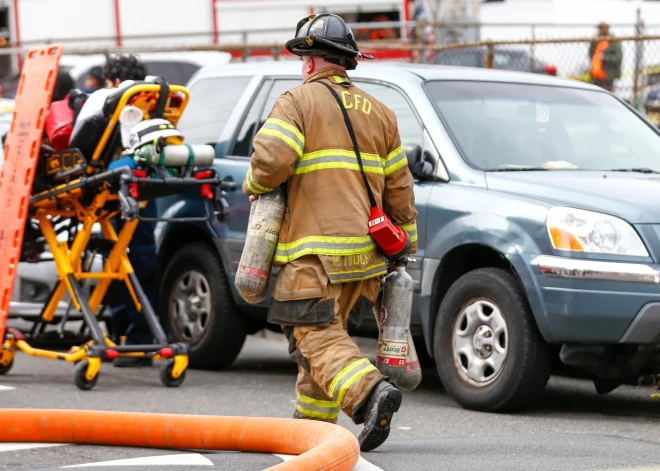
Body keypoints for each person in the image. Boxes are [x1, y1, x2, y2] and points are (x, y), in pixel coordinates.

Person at [241, 13, 418, 452]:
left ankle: (368, 393)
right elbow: (400, 189)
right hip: (365, 261)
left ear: (308, 60)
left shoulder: (296, 101)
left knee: (314, 336)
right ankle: (313, 433)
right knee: (316, 351)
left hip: (312, 255)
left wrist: (255, 185)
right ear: (345, 62)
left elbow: (271, 161)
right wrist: (404, 245)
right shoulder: (381, 112)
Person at [75, 54, 157, 368]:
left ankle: (125, 335)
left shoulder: (106, 99)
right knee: (141, 261)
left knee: (121, 262)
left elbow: (80, 141)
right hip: (146, 187)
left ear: (112, 80)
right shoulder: (158, 99)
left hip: (114, 188)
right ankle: (137, 337)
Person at [589, 22, 622, 92]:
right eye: (600, 29)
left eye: (604, 29)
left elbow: (618, 58)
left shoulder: (613, 42)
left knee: (606, 93)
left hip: (608, 75)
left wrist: (604, 57)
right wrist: (593, 42)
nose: (602, 31)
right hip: (596, 75)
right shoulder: (596, 42)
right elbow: (591, 54)